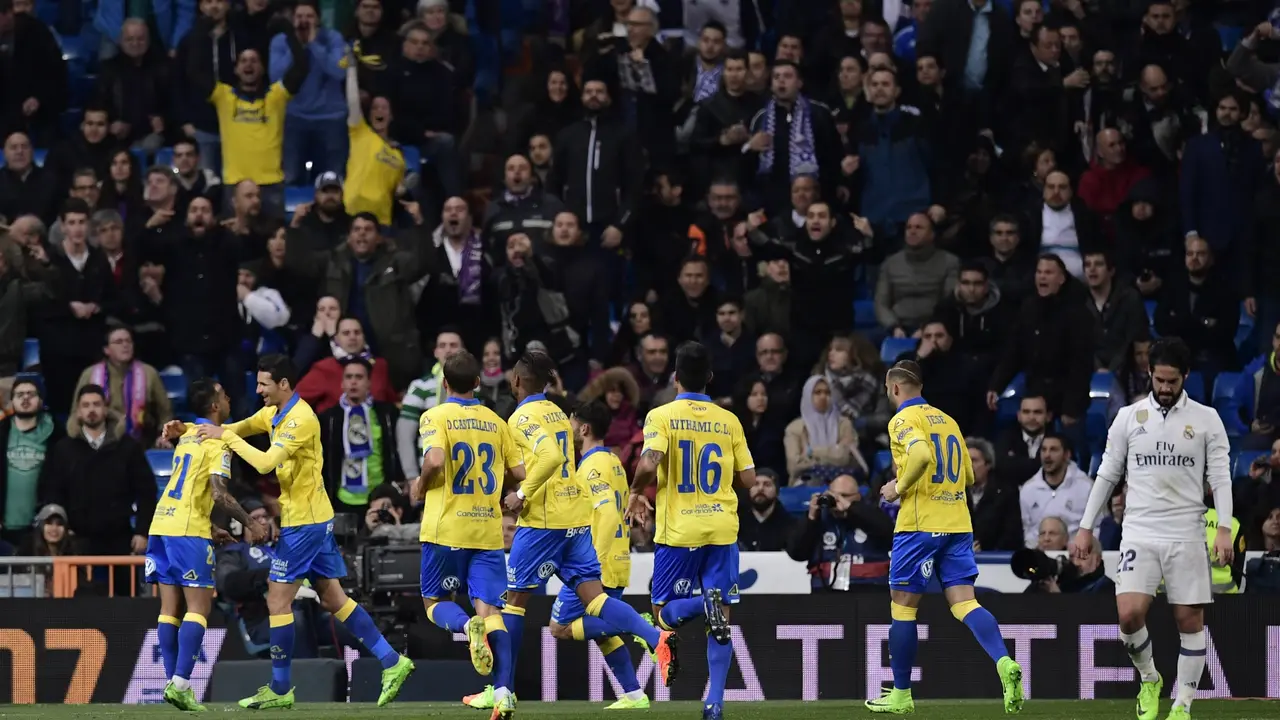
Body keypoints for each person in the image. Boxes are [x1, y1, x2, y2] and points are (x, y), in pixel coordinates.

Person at [163, 354, 414, 708]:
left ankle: (280, 688)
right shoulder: (272, 413)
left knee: (277, 600)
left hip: (305, 523)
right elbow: (236, 428)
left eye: (264, 384)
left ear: (283, 384)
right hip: (312, 518)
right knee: (333, 598)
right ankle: (392, 661)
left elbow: (265, 462)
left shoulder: (301, 419)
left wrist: (224, 437)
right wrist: (188, 429)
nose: (258, 390)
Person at [499, 352, 674, 720]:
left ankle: (504, 691)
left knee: (522, 607)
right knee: (594, 603)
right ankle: (649, 653)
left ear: (516, 381)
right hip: (581, 526)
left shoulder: (525, 420)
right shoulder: (563, 418)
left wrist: (522, 494)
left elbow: (551, 459)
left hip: (552, 525)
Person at [1073, 337, 1233, 720]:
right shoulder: (1128, 417)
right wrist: (1085, 526)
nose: (1164, 387)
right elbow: (1107, 473)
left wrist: (1224, 528)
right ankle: (1150, 678)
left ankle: (1182, 706)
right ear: (1149, 373)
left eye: (1171, 381)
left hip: (1186, 532)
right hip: (1139, 531)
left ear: (1186, 376)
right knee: (1129, 615)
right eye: (1159, 380)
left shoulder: (1207, 419)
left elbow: (1221, 477)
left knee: (1189, 621)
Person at [471, 400, 647, 710]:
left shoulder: (591, 466)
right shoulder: (613, 461)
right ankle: (634, 694)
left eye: (571, 421)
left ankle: (638, 626)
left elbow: (607, 512)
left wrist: (593, 556)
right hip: (618, 558)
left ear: (584, 428)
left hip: (599, 559)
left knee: (560, 626)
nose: (567, 426)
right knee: (599, 631)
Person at [869, 360, 1022, 715]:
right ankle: (1004, 662)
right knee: (964, 602)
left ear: (894, 388)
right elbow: (969, 476)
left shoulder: (903, 419)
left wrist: (897, 487)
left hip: (920, 524)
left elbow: (921, 454)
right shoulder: (947, 421)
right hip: (957, 523)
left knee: (903, 607)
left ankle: (901, 695)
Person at [629, 341, 755, 720]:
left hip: (680, 531)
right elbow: (749, 478)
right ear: (710, 377)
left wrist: (635, 492)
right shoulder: (729, 420)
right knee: (722, 623)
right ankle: (714, 702)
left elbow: (650, 462)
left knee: (662, 615)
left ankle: (702, 605)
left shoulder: (662, 415)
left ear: (675, 377)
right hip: (722, 528)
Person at [410, 350, 520, 713]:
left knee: (434, 603)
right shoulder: (496, 421)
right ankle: (502, 692)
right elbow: (520, 473)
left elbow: (435, 459)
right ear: (477, 382)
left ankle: (464, 624)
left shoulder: (435, 415)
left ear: (444, 383)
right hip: (487, 530)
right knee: (493, 613)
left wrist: (420, 486)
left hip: (446, 529)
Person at [148, 379, 264, 711]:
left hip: (162, 524)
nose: (229, 399)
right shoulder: (217, 441)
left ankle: (172, 684)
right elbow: (218, 493)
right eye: (225, 395)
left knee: (169, 610)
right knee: (199, 608)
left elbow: (188, 488)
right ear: (215, 406)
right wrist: (251, 522)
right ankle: (182, 683)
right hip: (187, 531)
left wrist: (211, 527)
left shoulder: (186, 434)